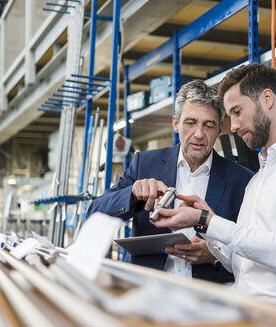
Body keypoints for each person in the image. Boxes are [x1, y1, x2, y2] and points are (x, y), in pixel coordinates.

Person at [151, 64, 276, 302]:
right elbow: (240, 264)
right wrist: (207, 226)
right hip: (247, 311)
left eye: (237, 111)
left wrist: (208, 221)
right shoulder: (259, 177)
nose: (232, 127)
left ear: (267, 98)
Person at [87, 80, 254, 283]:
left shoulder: (242, 180)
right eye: (190, 123)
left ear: (220, 130)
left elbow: (253, 251)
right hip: (145, 291)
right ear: (176, 123)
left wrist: (216, 256)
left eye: (208, 125)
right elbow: (94, 213)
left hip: (206, 297)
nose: (199, 134)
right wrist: (131, 194)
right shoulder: (144, 164)